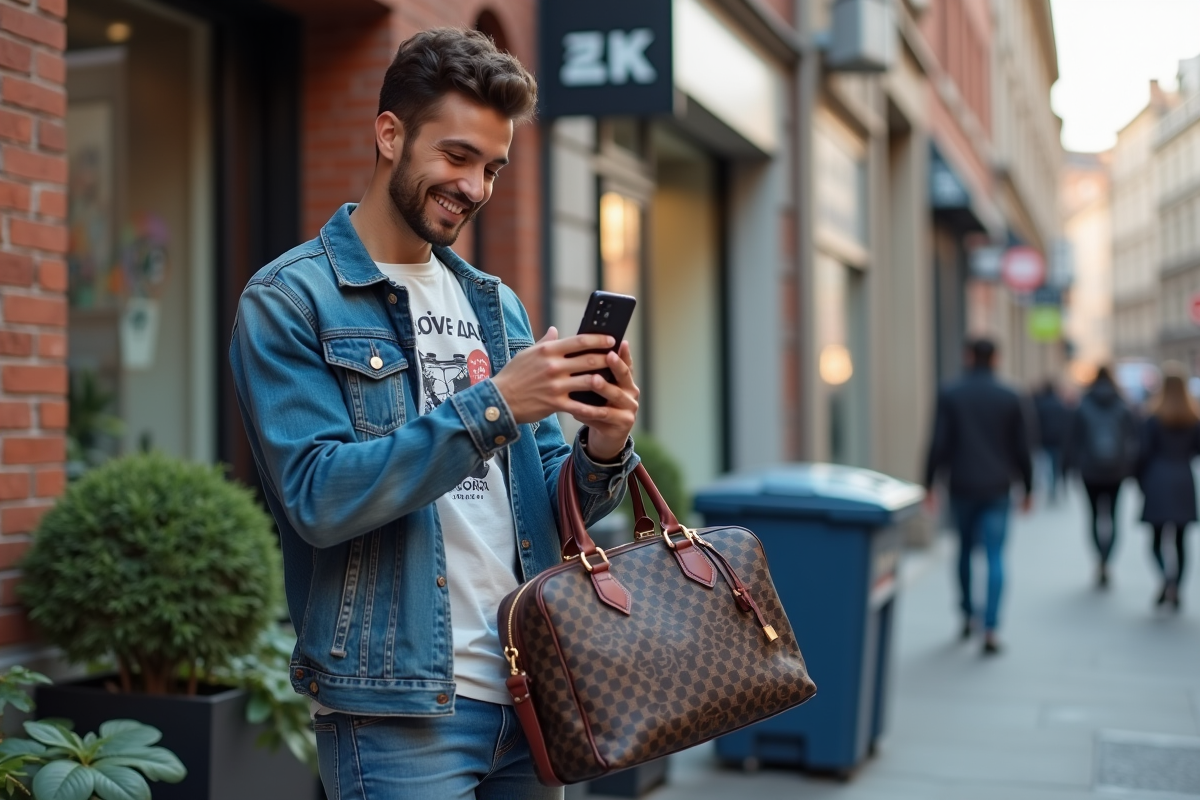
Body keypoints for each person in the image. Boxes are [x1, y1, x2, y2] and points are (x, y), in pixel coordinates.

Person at [229, 29, 641, 800]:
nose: (476, 187)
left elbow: (552, 509)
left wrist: (604, 446)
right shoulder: (291, 300)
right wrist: (495, 405)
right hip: (397, 711)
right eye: (457, 157)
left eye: (492, 168)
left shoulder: (495, 305)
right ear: (390, 135)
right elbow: (318, 497)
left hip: (531, 690)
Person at [924, 338, 1033, 655]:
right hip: (998, 487)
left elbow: (938, 442)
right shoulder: (1011, 395)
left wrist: (928, 484)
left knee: (964, 551)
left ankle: (967, 613)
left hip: (962, 486)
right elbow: (1024, 447)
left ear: (968, 356)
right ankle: (991, 627)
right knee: (996, 555)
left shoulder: (951, 393)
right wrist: (1029, 487)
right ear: (996, 358)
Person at [1066, 366, 1138, 589]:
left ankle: (1099, 558)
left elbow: (1073, 440)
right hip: (1116, 470)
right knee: (1113, 517)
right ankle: (1107, 560)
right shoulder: (1122, 405)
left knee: (1094, 517)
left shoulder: (1083, 405)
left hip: (1090, 470)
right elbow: (1132, 439)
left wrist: (1070, 468)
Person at [1135, 369, 1200, 611]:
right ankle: (1176, 586)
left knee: (1156, 540)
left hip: (1157, 479)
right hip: (1182, 479)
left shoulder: (1153, 419)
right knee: (1181, 541)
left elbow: (1142, 453)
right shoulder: (1193, 418)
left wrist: (1140, 482)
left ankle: (1167, 579)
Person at [1032, 380, 1071, 503]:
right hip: (1057, 440)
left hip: (1043, 440)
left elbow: (1035, 424)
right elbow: (1065, 425)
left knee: (1044, 466)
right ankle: (1053, 488)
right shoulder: (1060, 405)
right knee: (1055, 466)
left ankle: (1047, 487)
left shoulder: (1040, 405)